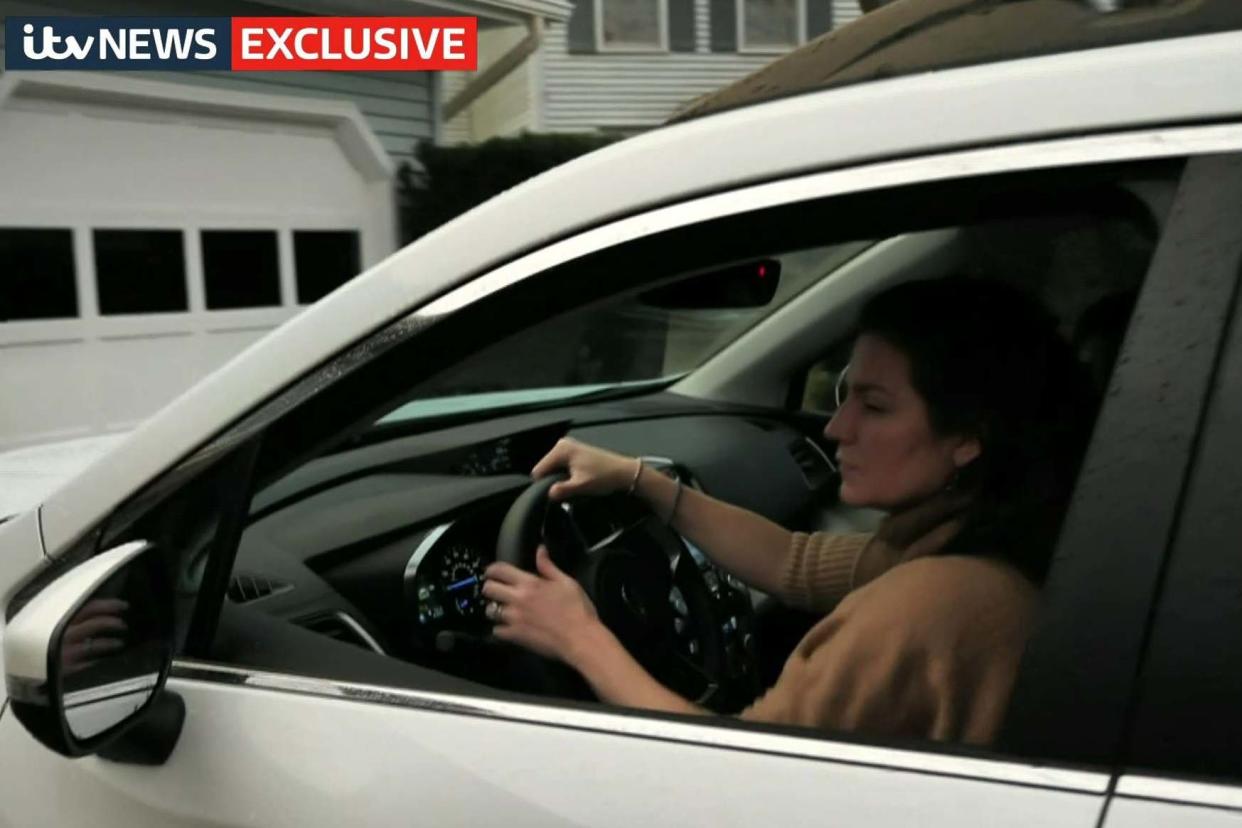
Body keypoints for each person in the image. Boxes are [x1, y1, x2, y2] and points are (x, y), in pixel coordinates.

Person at [482, 277, 1095, 746]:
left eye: (875, 407)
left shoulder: (928, 606)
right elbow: (792, 562)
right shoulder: (967, 543)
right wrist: (639, 479)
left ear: (968, 436)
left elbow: (735, 769)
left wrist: (578, 637)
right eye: (843, 395)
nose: (836, 428)